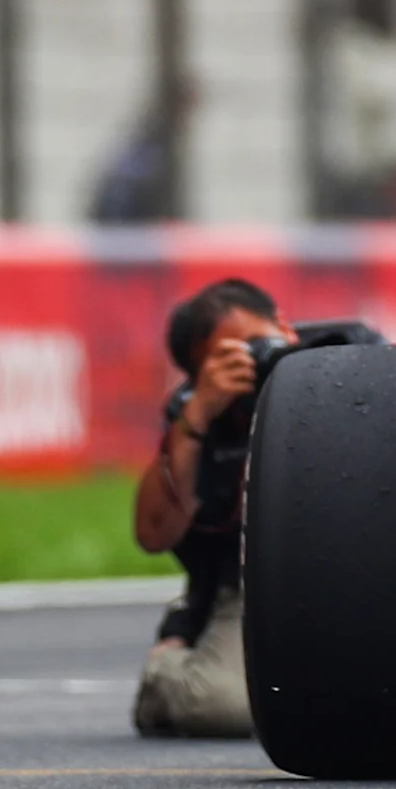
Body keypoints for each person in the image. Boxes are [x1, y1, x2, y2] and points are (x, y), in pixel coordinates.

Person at [130, 277, 293, 739]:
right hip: (252, 587)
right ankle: (166, 673)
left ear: (285, 325)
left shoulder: (348, 362)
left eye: (260, 343)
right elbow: (152, 534)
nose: (256, 362)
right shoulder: (201, 421)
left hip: (357, 574)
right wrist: (199, 414)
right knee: (224, 707)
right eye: (232, 358)